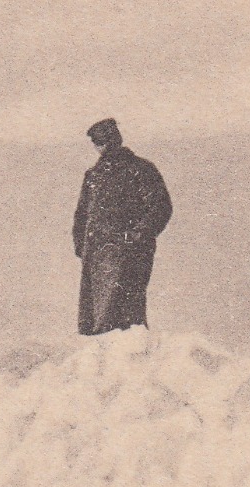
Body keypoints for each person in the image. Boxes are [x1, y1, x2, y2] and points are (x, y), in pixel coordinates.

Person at [72, 118, 172, 335]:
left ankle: (131, 360)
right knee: (98, 318)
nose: (101, 146)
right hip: (97, 257)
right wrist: (82, 246)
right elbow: (82, 215)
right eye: (97, 142)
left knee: (127, 317)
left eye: (104, 140)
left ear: (115, 139)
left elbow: (161, 207)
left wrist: (137, 236)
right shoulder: (93, 176)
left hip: (130, 254)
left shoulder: (141, 169)